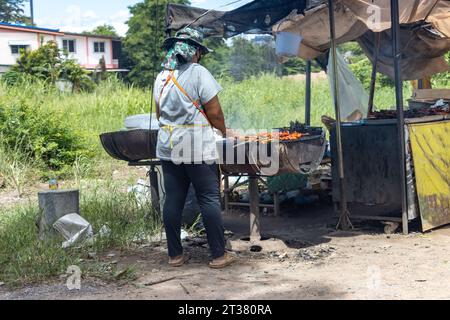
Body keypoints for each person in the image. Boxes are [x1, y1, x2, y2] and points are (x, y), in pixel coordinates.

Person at [154, 27, 235, 269]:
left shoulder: (161, 77)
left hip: (168, 144)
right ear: (195, 52)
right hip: (195, 145)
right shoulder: (198, 73)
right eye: (200, 51)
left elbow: (160, 113)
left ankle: (175, 255)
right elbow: (215, 112)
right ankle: (219, 255)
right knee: (208, 197)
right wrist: (224, 130)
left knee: (173, 199)